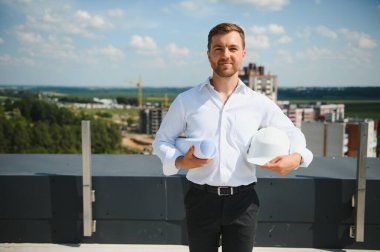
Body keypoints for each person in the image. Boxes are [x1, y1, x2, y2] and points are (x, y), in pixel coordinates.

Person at [152, 23, 313, 252]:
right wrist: (179, 161)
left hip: (243, 203)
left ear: (243, 54)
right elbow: (161, 141)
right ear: (208, 54)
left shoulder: (258, 103)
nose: (225, 55)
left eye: (232, 48)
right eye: (218, 48)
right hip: (200, 200)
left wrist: (296, 158)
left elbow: (292, 133)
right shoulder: (186, 101)